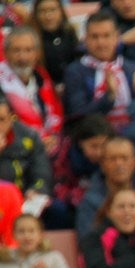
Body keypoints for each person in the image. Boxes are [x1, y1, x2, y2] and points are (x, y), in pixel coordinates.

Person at [62, 10, 135, 132]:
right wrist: (109, 98)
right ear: (85, 39)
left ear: (117, 37)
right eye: (94, 37)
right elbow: (78, 115)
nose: (101, 43)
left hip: (131, 138)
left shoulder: (131, 68)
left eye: (106, 36)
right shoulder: (75, 71)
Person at [0, 27, 63, 156]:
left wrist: (52, 137)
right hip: (14, 149)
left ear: (36, 54)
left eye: (28, 50)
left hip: (49, 144)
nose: (23, 57)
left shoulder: (41, 76)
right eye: (16, 50)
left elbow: (54, 112)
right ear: (6, 53)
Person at [51, 114, 114, 229]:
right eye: (93, 146)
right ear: (81, 143)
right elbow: (59, 187)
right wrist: (80, 198)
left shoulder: (113, 157)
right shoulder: (64, 156)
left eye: (103, 146)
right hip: (73, 205)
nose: (99, 152)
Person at [0, 96, 52, 204]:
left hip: (25, 198)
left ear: (11, 118)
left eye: (1, 119)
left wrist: (37, 189)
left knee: (59, 211)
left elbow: (41, 171)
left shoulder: (29, 136)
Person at [29, 0, 79, 91]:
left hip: (72, 86)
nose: (48, 16)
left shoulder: (70, 33)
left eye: (52, 10)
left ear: (61, 11)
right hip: (44, 90)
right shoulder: (31, 40)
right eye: (42, 11)